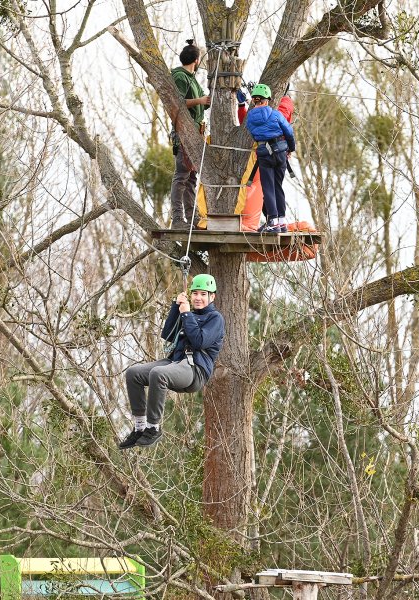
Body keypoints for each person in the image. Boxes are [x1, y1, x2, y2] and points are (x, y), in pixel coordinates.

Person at [119, 274, 225, 449]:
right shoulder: (187, 313)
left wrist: (186, 313)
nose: (198, 298)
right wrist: (176, 308)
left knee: (158, 374)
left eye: (203, 294)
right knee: (133, 373)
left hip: (195, 370)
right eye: (195, 293)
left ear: (212, 297)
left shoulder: (215, 318)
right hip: (175, 362)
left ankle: (153, 427)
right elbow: (168, 335)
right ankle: (139, 427)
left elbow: (199, 341)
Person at [169, 40, 211, 230]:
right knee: (181, 176)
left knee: (192, 178)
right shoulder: (180, 77)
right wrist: (200, 100)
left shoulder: (192, 79)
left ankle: (192, 217)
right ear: (196, 59)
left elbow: (200, 103)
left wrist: (207, 101)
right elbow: (177, 102)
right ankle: (178, 219)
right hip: (185, 132)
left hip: (196, 132)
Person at [243, 83, 296, 233]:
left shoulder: (250, 118)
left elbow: (254, 135)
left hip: (264, 154)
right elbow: (289, 132)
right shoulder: (275, 114)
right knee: (278, 186)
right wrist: (290, 148)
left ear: (254, 100)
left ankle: (272, 220)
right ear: (267, 100)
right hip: (280, 152)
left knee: (268, 188)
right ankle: (281, 221)